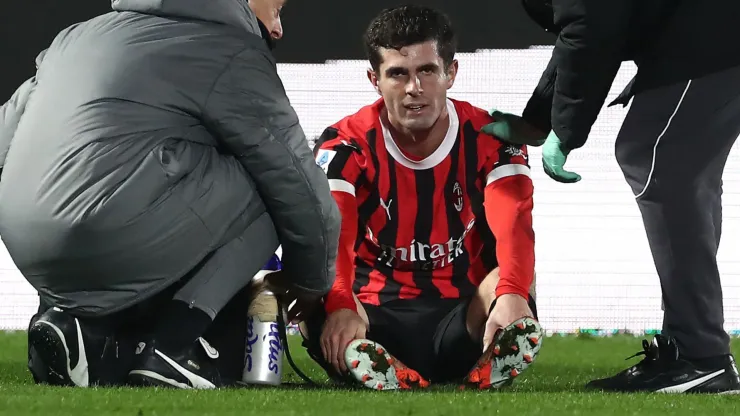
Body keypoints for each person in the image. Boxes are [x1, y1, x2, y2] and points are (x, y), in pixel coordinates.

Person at [0, 0, 340, 389]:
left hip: (23, 239)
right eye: (276, 8)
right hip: (108, 233)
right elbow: (301, 187)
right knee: (271, 179)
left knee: (136, 174)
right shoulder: (227, 48)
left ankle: (75, 324)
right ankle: (174, 348)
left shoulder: (76, 37)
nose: (278, 29)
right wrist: (312, 285)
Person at [490, 0, 740, 393]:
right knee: (681, 172)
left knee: (652, 156)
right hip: (711, 36)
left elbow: (592, 26)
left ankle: (700, 355)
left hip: (715, 36)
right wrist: (540, 120)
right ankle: (689, 350)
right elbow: (584, 27)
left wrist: (566, 130)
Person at [298, 5, 543, 391]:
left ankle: (487, 355)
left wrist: (513, 293)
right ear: (374, 80)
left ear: (451, 73)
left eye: (427, 70)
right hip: (371, 318)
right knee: (315, 286)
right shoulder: (344, 145)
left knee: (515, 279)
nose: (414, 88)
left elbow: (514, 219)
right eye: (398, 73)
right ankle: (368, 360)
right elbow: (333, 238)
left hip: (462, 316)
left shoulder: (491, 136)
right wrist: (341, 303)